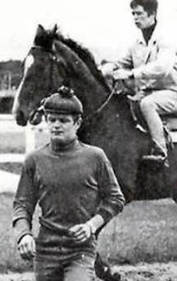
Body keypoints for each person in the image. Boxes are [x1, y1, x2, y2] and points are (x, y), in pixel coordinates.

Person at [12, 86, 125, 281]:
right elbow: (22, 204)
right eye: (51, 120)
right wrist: (24, 234)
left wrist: (91, 226)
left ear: (77, 123)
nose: (56, 125)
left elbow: (115, 199)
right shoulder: (34, 160)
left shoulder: (95, 157)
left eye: (63, 121)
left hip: (80, 250)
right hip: (45, 251)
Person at [101, 0, 177, 163]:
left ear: (152, 15)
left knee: (147, 105)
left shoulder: (166, 40)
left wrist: (132, 73)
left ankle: (160, 152)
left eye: (139, 14)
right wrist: (104, 70)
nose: (135, 18)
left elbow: (162, 68)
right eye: (133, 14)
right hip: (145, 94)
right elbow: (119, 63)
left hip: (172, 94)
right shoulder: (136, 43)